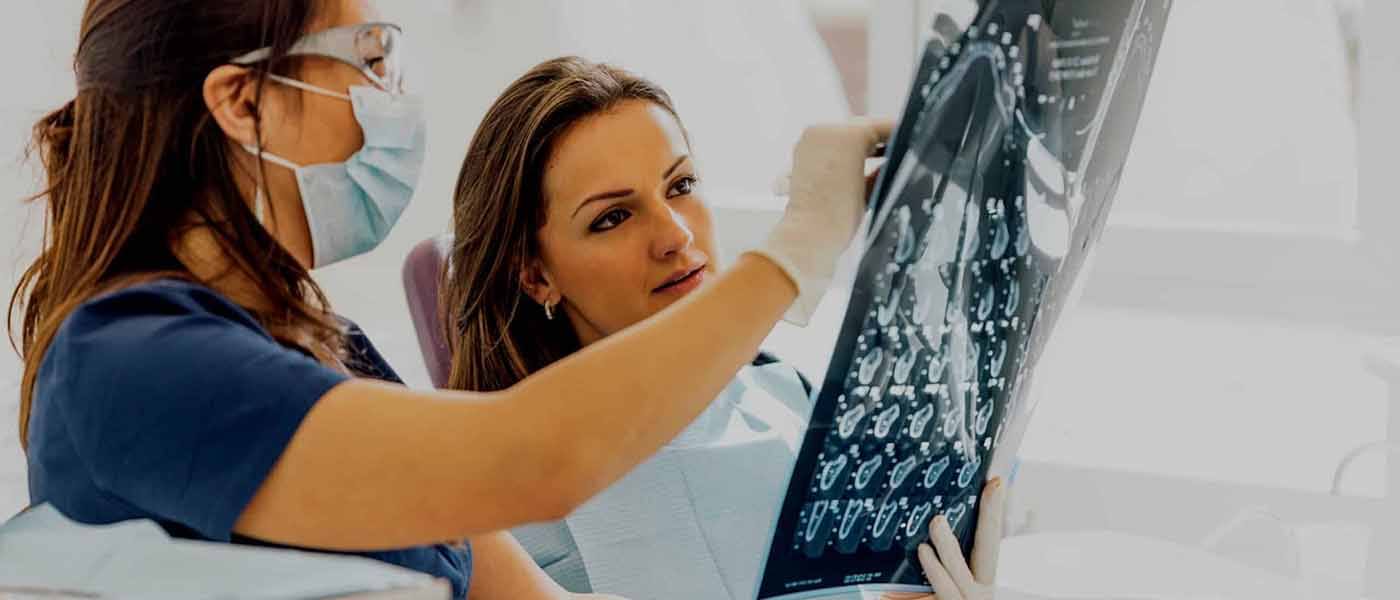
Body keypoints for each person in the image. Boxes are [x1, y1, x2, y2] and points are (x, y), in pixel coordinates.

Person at [12, 1, 890, 598]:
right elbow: (538, 462)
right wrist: (794, 252)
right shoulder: (136, 362)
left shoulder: (326, 352)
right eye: (370, 61)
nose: (394, 100)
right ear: (243, 102)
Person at [443, 56, 1005, 600]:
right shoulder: (505, 507)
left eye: (681, 185)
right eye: (612, 217)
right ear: (535, 275)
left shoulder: (791, 398)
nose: (675, 236)